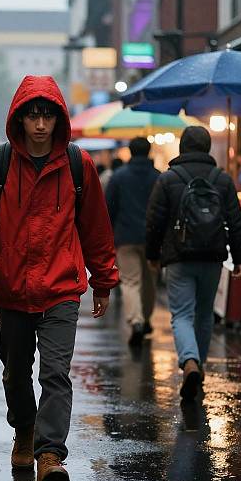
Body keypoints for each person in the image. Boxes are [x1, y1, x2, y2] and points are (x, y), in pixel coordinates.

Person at [0, 75, 119, 481]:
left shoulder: (79, 165)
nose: (41, 124)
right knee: (15, 372)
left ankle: (50, 455)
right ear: (20, 118)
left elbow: (96, 229)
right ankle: (23, 429)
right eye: (33, 115)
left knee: (57, 373)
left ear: (58, 118)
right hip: (11, 289)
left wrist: (102, 281)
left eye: (47, 115)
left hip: (62, 289)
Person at [146, 126, 241, 401]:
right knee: (204, 315)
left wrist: (153, 255)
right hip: (213, 257)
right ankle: (197, 365)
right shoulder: (222, 179)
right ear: (206, 147)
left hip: (179, 257)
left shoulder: (168, 179)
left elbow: (154, 221)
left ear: (182, 148)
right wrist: (240, 259)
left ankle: (189, 361)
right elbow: (236, 223)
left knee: (181, 314)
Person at [106, 137, 160, 345]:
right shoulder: (158, 177)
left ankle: (136, 320)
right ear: (148, 152)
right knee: (150, 282)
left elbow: (109, 208)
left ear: (130, 151)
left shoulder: (119, 177)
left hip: (125, 237)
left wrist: (109, 236)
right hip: (152, 238)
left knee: (130, 281)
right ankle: (146, 319)